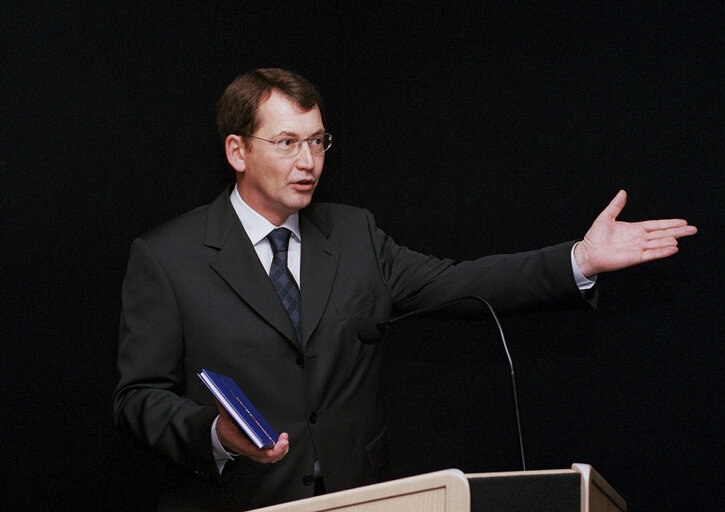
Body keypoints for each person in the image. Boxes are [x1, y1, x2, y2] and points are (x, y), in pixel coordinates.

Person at [113, 68, 697, 511]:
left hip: (362, 500)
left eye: (318, 141)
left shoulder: (354, 234)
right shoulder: (168, 257)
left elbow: (460, 280)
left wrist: (579, 258)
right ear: (237, 151)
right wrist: (215, 434)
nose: (308, 160)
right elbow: (138, 398)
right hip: (236, 499)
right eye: (287, 142)